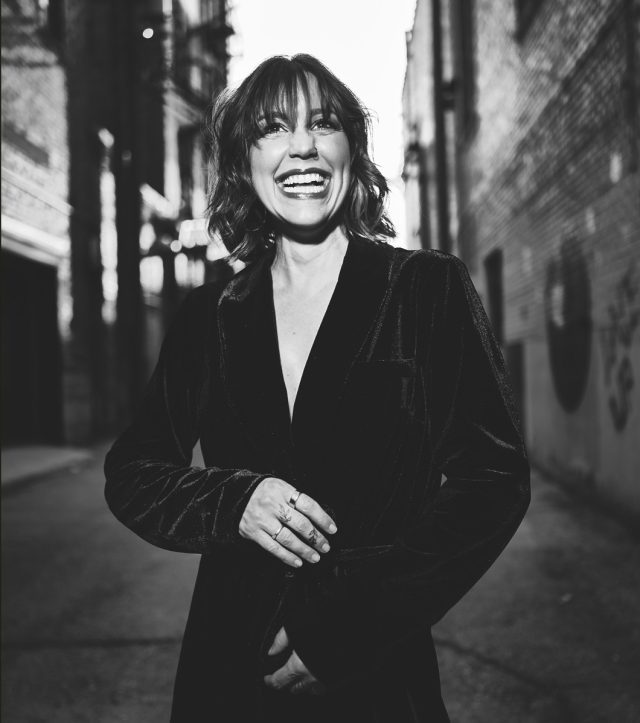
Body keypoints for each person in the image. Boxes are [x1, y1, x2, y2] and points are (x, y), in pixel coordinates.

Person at [104, 54, 530, 723]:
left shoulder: (425, 289)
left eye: (323, 124)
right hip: (230, 668)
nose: (301, 145)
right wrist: (233, 500)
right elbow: (132, 471)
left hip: (376, 671)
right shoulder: (209, 315)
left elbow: (493, 479)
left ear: (350, 151)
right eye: (273, 128)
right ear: (244, 162)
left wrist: (350, 631)